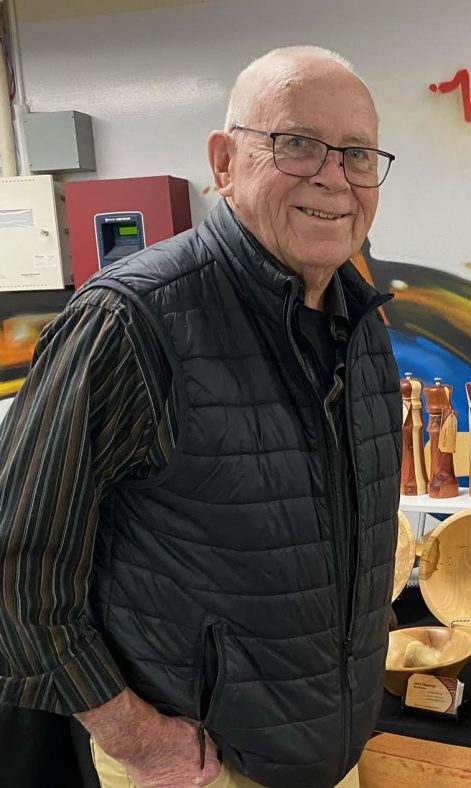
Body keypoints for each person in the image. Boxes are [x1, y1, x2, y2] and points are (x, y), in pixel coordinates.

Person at [0, 46, 401, 788]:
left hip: (327, 758)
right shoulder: (132, 322)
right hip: (193, 769)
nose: (334, 178)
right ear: (224, 162)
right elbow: (19, 569)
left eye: (357, 154)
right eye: (297, 144)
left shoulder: (360, 321)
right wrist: (141, 740)